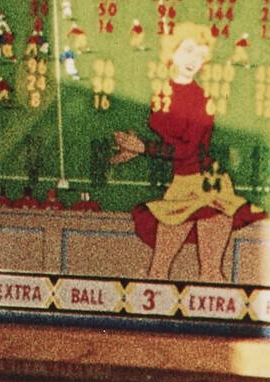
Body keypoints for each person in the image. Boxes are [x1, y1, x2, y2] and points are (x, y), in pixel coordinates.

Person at [108, 28, 262, 284]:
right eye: (189, 50)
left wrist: (144, 148)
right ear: (172, 51)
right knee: (158, 271)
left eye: (201, 54)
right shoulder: (163, 91)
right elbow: (167, 139)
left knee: (209, 274)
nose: (194, 60)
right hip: (182, 181)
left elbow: (188, 150)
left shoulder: (200, 99)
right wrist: (136, 149)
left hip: (207, 185)